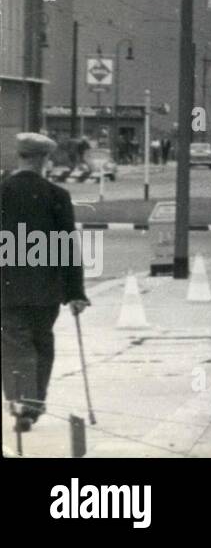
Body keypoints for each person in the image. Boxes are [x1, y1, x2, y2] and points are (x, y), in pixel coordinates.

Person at [1, 133, 90, 432]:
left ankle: (25, 402)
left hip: (7, 287)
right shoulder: (56, 195)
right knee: (42, 342)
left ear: (20, 157)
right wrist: (76, 292)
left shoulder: (1, 191)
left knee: (16, 343)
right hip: (46, 288)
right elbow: (68, 247)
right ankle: (33, 403)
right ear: (42, 159)